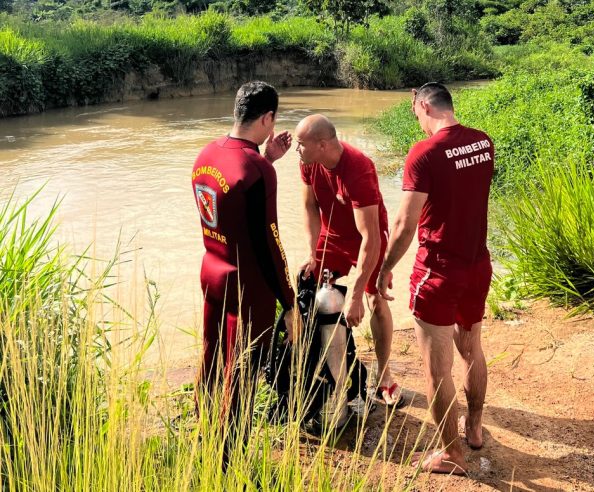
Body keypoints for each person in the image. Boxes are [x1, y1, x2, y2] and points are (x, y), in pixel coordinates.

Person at [377, 82, 494, 474]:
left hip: (438, 271)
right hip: (478, 264)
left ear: (424, 104)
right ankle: (474, 430)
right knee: (472, 349)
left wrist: (384, 268)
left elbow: (404, 224)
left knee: (436, 369)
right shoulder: (482, 142)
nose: (416, 119)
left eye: (415, 111)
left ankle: (452, 454)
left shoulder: (423, 153)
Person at [191, 81, 295, 429]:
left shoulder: (206, 155)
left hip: (212, 272)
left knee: (210, 356)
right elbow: (270, 243)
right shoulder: (258, 171)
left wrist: (265, 158)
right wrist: (289, 301)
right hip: (246, 287)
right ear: (268, 118)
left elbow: (232, 207)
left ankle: (202, 432)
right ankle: (229, 457)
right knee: (241, 372)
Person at [295, 114, 404, 407]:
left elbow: (370, 237)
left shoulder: (358, 168)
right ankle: (330, 371)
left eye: (300, 144)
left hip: (367, 239)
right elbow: (309, 207)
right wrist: (312, 253)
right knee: (313, 290)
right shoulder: (309, 162)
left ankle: (384, 374)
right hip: (332, 237)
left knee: (375, 301)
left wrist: (356, 294)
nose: (297, 150)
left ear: (321, 145)